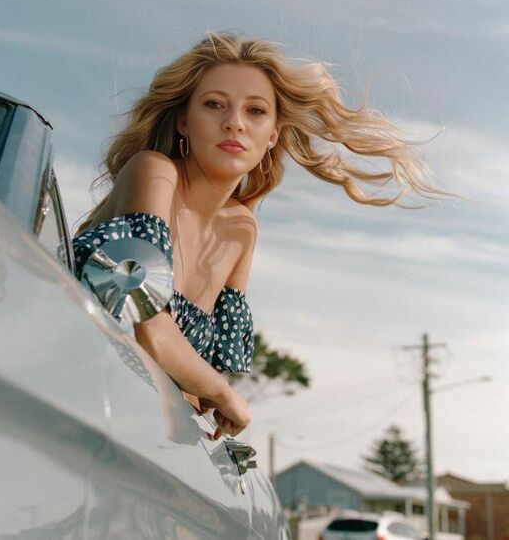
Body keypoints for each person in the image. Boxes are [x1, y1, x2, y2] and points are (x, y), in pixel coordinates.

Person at [72, 31, 447, 440]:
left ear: (272, 135)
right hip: (69, 385)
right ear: (184, 121)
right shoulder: (154, 172)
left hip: (131, 424)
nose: (234, 122)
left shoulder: (241, 230)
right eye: (214, 104)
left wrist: (208, 401)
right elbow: (150, 329)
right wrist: (221, 393)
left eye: (255, 111)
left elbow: (195, 383)